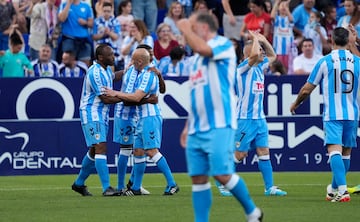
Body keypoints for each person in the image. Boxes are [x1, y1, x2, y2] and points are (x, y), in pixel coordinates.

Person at [177, 12, 263, 222]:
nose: (190, 30)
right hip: (197, 126)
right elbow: (196, 94)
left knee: (221, 173)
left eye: (194, 26)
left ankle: (252, 212)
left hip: (220, 123)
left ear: (203, 28)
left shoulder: (223, 45)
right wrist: (188, 125)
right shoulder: (195, 60)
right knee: (198, 178)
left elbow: (202, 48)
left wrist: (185, 27)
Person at [290, 27, 360, 202]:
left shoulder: (325, 61)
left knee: (334, 150)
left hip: (333, 114)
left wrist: (296, 102)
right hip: (352, 114)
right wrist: (354, 43)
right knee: (345, 153)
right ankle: (334, 189)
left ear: (331, 40)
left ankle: (343, 192)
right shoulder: (357, 62)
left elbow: (307, 89)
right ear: (348, 41)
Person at [103, 48, 179, 196]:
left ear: (139, 61)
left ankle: (172, 184)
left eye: (133, 59)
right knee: (138, 151)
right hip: (140, 117)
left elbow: (136, 97)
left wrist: (115, 93)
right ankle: (136, 187)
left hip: (149, 117)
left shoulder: (147, 75)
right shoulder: (139, 72)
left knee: (151, 151)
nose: (130, 62)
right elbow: (141, 97)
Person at [233, 31, 287, 197]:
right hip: (245, 119)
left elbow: (273, 55)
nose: (263, 53)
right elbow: (256, 54)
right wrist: (256, 39)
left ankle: (269, 188)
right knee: (240, 155)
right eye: (260, 50)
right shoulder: (243, 68)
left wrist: (263, 40)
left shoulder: (259, 67)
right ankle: (222, 182)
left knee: (264, 152)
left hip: (260, 119)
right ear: (248, 53)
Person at [71, 44, 121, 197]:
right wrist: (128, 98)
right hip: (91, 113)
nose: (113, 57)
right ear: (100, 57)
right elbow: (105, 98)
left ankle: (79, 184)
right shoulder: (95, 72)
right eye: (110, 55)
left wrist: (132, 69)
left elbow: (115, 76)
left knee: (94, 150)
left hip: (102, 114)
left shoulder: (105, 70)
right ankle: (107, 188)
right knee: (100, 147)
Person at [58, 0, 94, 66]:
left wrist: (85, 22)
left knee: (84, 65)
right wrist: (68, 4)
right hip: (69, 39)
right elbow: (61, 19)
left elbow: (91, 23)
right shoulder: (63, 4)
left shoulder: (86, 6)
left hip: (83, 40)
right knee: (67, 64)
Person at [92, 2, 121, 70]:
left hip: (112, 48)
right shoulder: (97, 21)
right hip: (100, 48)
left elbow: (116, 37)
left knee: (110, 69)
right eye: (105, 11)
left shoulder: (115, 21)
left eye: (108, 11)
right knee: (98, 68)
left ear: (111, 11)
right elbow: (94, 37)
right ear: (102, 11)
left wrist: (109, 33)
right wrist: (103, 34)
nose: (106, 13)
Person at [271, 0, 294, 72]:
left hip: (289, 51)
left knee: (288, 69)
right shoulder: (277, 19)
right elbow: (272, 16)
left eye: (285, 6)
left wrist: (287, 9)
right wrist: (277, 3)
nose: (284, 7)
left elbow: (292, 19)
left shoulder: (289, 19)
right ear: (278, 8)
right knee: (278, 69)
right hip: (278, 50)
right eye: (282, 6)